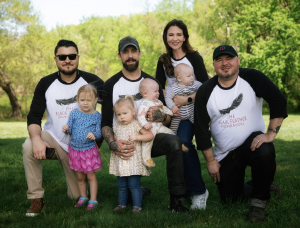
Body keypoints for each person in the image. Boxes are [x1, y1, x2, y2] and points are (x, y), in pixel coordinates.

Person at [194, 45, 287, 222]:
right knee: (230, 200)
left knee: (265, 149)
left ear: (238, 60)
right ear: (213, 64)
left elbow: (278, 100)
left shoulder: (252, 77)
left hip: (253, 145)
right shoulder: (206, 90)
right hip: (226, 155)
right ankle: (262, 183)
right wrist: (211, 161)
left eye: (229, 58)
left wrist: (270, 134)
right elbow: (200, 129)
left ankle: (258, 203)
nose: (225, 63)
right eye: (219, 60)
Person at [101, 36, 188, 213]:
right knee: (130, 188)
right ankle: (136, 191)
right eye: (126, 52)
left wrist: (157, 115)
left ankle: (176, 201)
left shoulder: (152, 82)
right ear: (119, 56)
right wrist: (113, 143)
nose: (130, 55)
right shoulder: (111, 85)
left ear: (139, 54)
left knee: (174, 143)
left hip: (150, 136)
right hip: (126, 141)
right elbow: (105, 122)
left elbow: (168, 118)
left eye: (134, 51)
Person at [22, 39, 104, 217]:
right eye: (62, 56)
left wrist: (100, 139)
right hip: (54, 139)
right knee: (28, 145)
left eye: (71, 56)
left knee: (75, 195)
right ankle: (36, 198)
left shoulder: (92, 81)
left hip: (80, 148)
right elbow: (34, 116)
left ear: (78, 58)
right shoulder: (45, 83)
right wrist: (37, 140)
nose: (67, 60)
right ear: (56, 59)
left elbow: (111, 108)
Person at [156, 19, 209, 209]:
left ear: (184, 36)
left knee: (184, 143)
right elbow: (158, 89)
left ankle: (199, 192)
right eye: (171, 34)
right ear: (166, 37)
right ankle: (182, 190)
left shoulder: (194, 58)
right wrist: (169, 107)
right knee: (176, 149)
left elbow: (206, 88)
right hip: (173, 114)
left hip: (192, 112)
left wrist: (186, 100)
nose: (175, 38)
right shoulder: (163, 60)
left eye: (179, 34)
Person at [62, 84, 102, 210]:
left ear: (95, 100)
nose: (85, 103)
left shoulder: (97, 115)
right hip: (75, 150)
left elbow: (99, 133)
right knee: (79, 176)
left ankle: (93, 200)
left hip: (89, 150)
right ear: (77, 99)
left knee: (90, 176)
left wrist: (93, 134)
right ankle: (83, 196)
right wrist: (66, 129)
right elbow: (70, 129)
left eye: (89, 100)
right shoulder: (74, 113)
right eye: (82, 100)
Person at [110, 95, 153, 212]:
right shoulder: (117, 126)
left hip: (134, 161)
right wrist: (114, 145)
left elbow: (150, 135)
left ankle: (137, 206)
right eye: (119, 115)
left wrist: (138, 137)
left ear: (133, 112)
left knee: (134, 185)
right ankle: (122, 204)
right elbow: (114, 140)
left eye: (124, 113)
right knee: (122, 186)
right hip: (121, 161)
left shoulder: (136, 124)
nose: (122, 117)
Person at [137, 78, 188, 167]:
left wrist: (173, 112)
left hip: (159, 127)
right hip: (150, 128)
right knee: (148, 142)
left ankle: (180, 145)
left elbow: (164, 109)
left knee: (171, 133)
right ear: (145, 93)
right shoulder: (145, 104)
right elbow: (140, 116)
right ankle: (146, 159)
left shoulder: (158, 102)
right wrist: (145, 124)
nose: (158, 93)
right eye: (155, 91)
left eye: (158, 91)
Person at [165, 63, 202, 134]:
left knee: (199, 125)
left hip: (192, 113)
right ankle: (172, 140)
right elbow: (167, 97)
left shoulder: (195, 84)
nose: (192, 78)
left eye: (192, 75)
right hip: (178, 115)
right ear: (179, 78)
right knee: (173, 128)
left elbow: (203, 88)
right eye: (189, 76)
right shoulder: (174, 88)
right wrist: (172, 106)